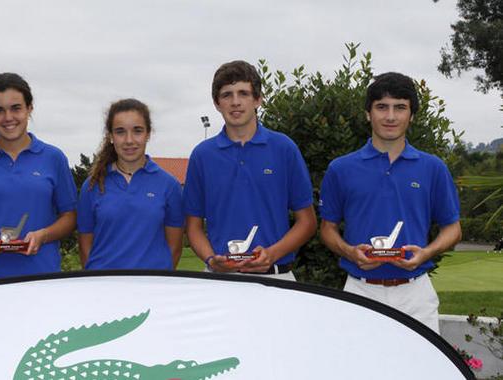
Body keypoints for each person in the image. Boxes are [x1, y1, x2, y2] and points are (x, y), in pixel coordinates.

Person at [319, 72, 462, 332]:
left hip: (416, 294)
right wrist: (349, 251)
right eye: (382, 107)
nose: (391, 116)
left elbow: (453, 229)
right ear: (368, 113)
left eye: (400, 107)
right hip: (360, 290)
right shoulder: (341, 169)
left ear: (412, 115)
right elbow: (327, 228)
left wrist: (426, 254)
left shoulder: (433, 168)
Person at [183, 60, 317, 280]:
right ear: (217, 103)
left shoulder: (284, 148)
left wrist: (272, 254)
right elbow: (193, 226)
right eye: (227, 95)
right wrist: (210, 259)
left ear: (258, 99)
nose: (235, 102)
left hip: (276, 277)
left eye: (243, 93)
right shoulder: (202, 155)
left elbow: (308, 222)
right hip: (220, 279)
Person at [0, 73, 77, 280]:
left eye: (16, 108)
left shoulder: (54, 158)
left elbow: (70, 216)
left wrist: (44, 235)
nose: (8, 118)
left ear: (29, 109)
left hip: (42, 275)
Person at [77, 98, 184, 269]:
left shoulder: (169, 185)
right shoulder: (92, 186)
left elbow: (175, 247)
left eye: (137, 131)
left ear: (148, 134)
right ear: (111, 137)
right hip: (104, 287)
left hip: (152, 288)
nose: (129, 140)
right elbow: (85, 247)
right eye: (120, 132)